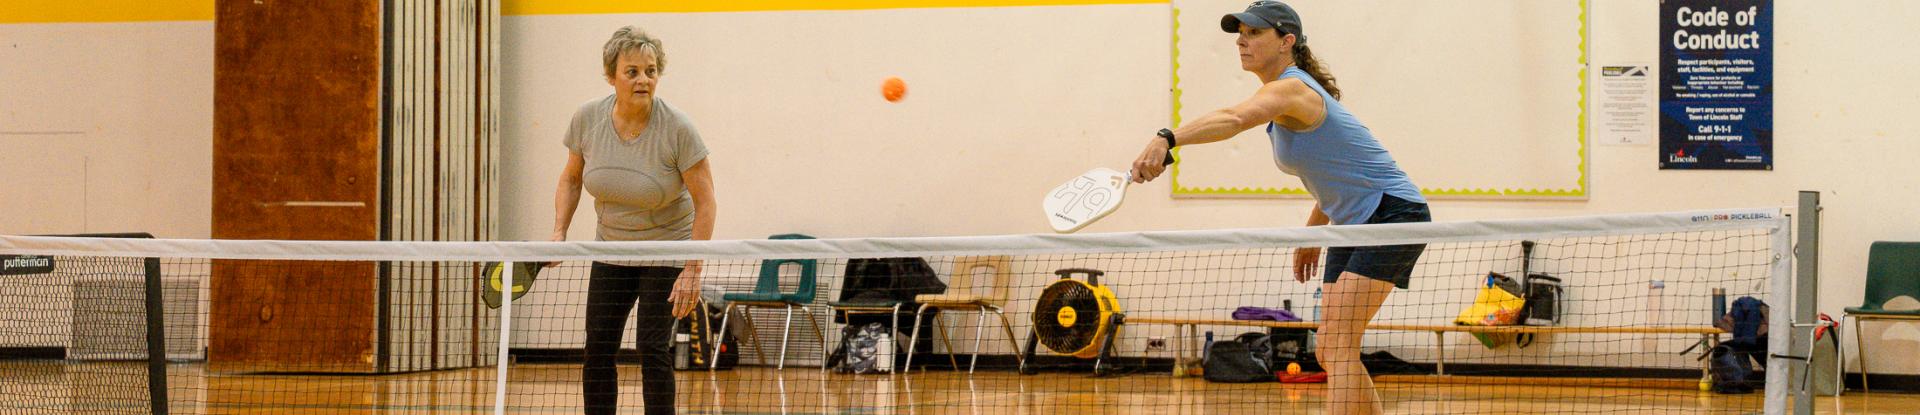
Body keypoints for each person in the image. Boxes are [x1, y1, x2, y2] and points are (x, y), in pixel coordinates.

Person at [1128, 2, 1430, 413]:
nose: (1241, 41)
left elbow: (1233, 118)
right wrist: (1313, 231)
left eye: (1254, 33)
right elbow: (1334, 173)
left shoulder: (1292, 89)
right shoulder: (1285, 93)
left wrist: (1167, 137)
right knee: (1330, 348)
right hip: (1353, 222)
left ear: (1287, 41)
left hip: (1393, 213)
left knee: (1339, 343)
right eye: (1241, 33)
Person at [552, 26, 716, 415]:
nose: (643, 79)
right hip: (612, 248)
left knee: (652, 346)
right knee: (598, 345)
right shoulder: (587, 118)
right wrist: (558, 232)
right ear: (612, 75)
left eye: (651, 70)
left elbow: (705, 201)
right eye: (632, 71)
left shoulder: (678, 128)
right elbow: (572, 178)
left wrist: (692, 267)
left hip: (666, 249)